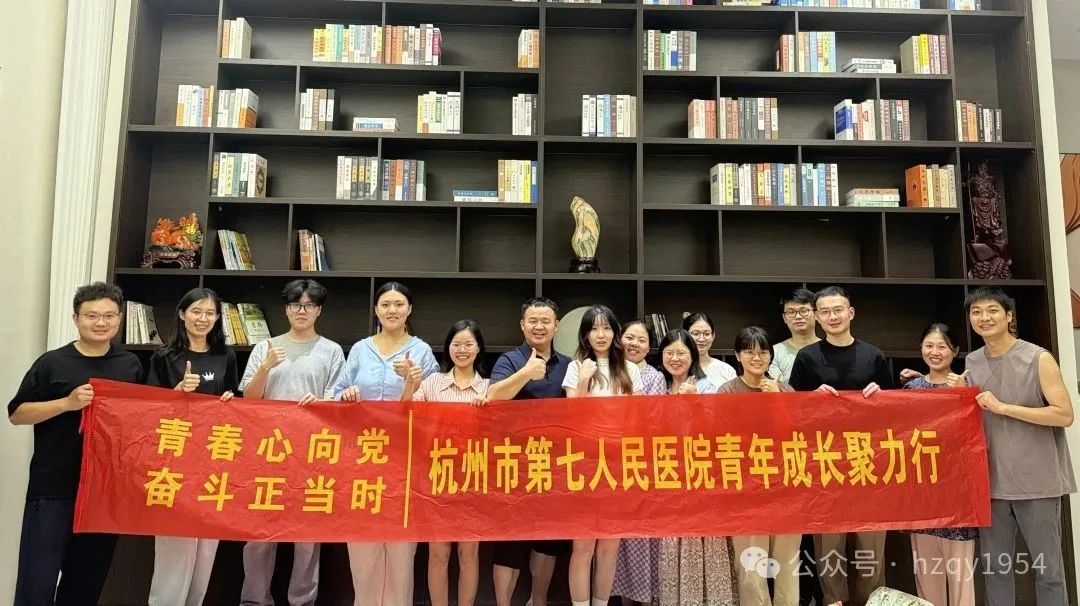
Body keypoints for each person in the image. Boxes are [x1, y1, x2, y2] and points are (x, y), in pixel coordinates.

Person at [10, 282, 143, 605]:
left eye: (109, 315)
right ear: (76, 319)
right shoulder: (52, 363)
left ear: (119, 318)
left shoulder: (130, 365)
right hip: (53, 487)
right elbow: (17, 414)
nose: (101, 323)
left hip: (105, 492)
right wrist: (66, 404)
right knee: (36, 583)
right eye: (91, 315)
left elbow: (145, 419)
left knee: (85, 584)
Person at [949, 288, 1075, 606]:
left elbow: (1064, 415)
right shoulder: (972, 361)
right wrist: (958, 394)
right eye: (976, 312)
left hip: (1038, 481)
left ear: (1008, 316)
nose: (984, 317)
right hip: (990, 482)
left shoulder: (1038, 358)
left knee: (1048, 570)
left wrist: (1004, 408)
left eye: (992, 310)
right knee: (996, 569)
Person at [239, 279, 345, 606]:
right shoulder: (265, 347)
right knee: (258, 535)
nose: (302, 311)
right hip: (268, 452)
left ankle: (303, 600)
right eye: (296, 304)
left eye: (310, 305)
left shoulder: (331, 351)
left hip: (313, 453)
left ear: (319, 311)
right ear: (286, 309)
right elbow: (249, 398)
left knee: (308, 536)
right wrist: (265, 368)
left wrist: (321, 403)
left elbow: (338, 403)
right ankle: (255, 599)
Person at [332, 281, 438, 606]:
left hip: (404, 459)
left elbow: (434, 405)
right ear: (376, 310)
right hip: (362, 457)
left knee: (401, 547)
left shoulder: (422, 351)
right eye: (386, 304)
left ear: (409, 309)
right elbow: (336, 393)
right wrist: (346, 395)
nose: (392, 310)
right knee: (362, 543)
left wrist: (413, 382)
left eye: (399, 304)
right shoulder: (360, 349)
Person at [787, 285, 893, 606]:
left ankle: (872, 603)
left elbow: (895, 414)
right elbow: (791, 415)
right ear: (817, 317)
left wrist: (882, 398)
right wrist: (810, 400)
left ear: (851, 312)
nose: (832, 316)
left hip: (868, 463)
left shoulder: (874, 356)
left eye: (838, 310)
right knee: (829, 550)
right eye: (825, 312)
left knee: (870, 548)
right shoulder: (806, 358)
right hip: (825, 463)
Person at [401, 319, 513, 606]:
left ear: (478, 349)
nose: (462, 350)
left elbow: (502, 432)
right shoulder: (432, 383)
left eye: (468, 344)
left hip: (474, 478)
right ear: (448, 348)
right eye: (456, 344)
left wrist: (487, 412)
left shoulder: (489, 388)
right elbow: (406, 415)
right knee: (438, 553)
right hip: (437, 477)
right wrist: (410, 383)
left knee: (469, 553)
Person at [146, 287, 238, 606]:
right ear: (182, 314)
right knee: (175, 549)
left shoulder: (226, 355)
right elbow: (147, 411)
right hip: (175, 460)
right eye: (196, 311)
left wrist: (230, 400)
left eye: (210, 313)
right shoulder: (163, 356)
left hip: (213, 458)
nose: (203, 318)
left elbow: (234, 402)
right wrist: (178, 391)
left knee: (205, 549)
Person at [488, 297, 571, 606]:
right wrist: (526, 373)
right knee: (510, 542)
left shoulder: (568, 364)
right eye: (533, 321)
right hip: (514, 464)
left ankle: (538, 600)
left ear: (556, 326)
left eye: (545, 321)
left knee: (548, 542)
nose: (539, 326)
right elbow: (493, 397)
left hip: (554, 465)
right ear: (522, 325)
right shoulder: (509, 360)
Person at [563, 305, 643, 606]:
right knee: (583, 547)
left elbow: (637, 420)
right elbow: (573, 418)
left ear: (615, 333)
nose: (601, 334)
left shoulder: (630, 370)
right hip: (584, 465)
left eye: (606, 328)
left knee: (610, 547)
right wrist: (584, 380)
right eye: (594, 328)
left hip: (618, 464)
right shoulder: (576, 367)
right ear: (585, 335)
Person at [654, 329, 737, 606]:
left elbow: (718, 432)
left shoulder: (707, 386)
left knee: (705, 540)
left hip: (701, 475)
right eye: (669, 353)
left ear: (693, 356)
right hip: (667, 475)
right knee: (671, 540)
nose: (675, 358)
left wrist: (695, 404)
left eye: (681, 353)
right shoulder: (657, 387)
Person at [895, 323, 977, 606]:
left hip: (958, 494)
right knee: (927, 574)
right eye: (929, 346)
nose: (935, 352)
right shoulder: (910, 389)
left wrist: (964, 394)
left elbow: (976, 434)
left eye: (942, 346)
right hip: (923, 493)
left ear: (955, 351)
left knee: (961, 576)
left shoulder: (967, 386)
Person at [719, 327, 800, 606]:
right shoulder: (728, 391)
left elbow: (796, 436)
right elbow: (725, 438)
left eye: (763, 352)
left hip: (784, 489)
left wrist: (778, 400)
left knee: (787, 565)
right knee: (751, 567)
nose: (757, 358)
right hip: (747, 490)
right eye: (749, 352)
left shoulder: (785, 390)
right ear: (737, 355)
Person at [612, 320, 665, 606]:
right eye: (629, 337)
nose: (634, 344)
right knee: (618, 537)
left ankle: (646, 599)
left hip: (643, 465)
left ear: (649, 347)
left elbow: (652, 421)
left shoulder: (655, 377)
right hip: (610, 465)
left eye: (641, 340)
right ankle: (623, 597)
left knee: (643, 535)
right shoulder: (610, 371)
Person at [769, 288, 820, 382]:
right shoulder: (774, 352)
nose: (798, 316)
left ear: (816, 314)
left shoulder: (829, 348)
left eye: (803, 311)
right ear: (784, 318)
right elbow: (777, 387)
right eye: (791, 312)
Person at [683, 312, 736, 387]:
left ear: (713, 336)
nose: (701, 339)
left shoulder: (726, 370)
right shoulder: (677, 368)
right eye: (696, 334)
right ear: (685, 335)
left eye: (707, 334)